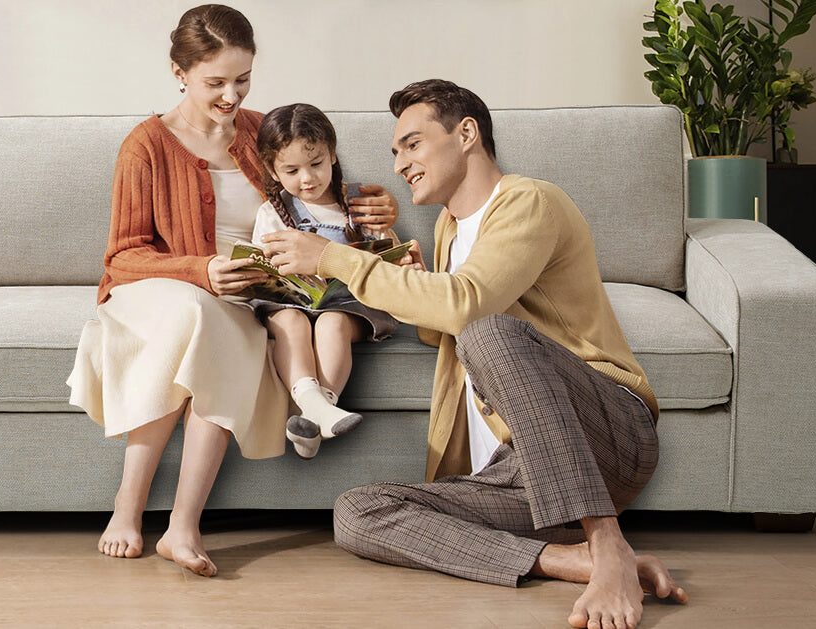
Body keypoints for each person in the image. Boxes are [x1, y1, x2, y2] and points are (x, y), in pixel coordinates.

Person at [260, 79, 688, 629]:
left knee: (487, 330)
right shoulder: (448, 228)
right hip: (516, 472)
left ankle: (607, 546)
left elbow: (470, 311)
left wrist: (333, 259)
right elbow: (446, 332)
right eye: (395, 152)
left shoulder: (529, 201)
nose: (399, 164)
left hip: (605, 431)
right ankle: (568, 560)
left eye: (412, 144)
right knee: (356, 513)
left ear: (467, 133)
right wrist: (412, 289)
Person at [65, 4, 397, 578]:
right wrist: (201, 270)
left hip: (253, 293)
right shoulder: (145, 145)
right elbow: (122, 256)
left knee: (226, 331)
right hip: (166, 286)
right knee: (200, 315)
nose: (231, 96)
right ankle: (128, 506)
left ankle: (181, 527)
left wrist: (378, 208)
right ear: (179, 71)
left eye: (242, 79)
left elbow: (319, 191)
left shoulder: (261, 131)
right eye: (215, 82)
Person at [250, 103, 401, 459]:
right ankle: (317, 413)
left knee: (331, 323)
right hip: (293, 301)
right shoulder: (272, 213)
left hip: (347, 303)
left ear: (332, 155)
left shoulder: (358, 203)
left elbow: (387, 251)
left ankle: (320, 407)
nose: (307, 178)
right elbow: (262, 266)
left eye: (316, 163)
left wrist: (393, 246)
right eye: (292, 170)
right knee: (290, 322)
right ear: (272, 170)